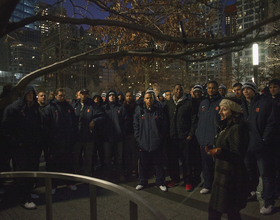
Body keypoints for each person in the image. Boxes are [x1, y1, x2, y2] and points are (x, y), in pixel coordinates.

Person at [206, 97, 249, 220]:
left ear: (233, 112)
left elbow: (237, 155)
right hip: (222, 178)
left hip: (230, 180)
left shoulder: (236, 129)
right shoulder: (227, 127)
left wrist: (220, 152)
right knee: (231, 212)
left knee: (216, 212)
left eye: (224, 110)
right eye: (220, 109)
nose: (220, 112)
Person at [1, 86, 42, 209]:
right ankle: (24, 198)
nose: (30, 95)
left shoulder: (33, 108)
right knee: (22, 173)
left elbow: (37, 126)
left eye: (32, 93)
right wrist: (16, 142)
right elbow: (6, 127)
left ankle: (28, 192)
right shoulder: (14, 108)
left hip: (32, 146)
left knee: (31, 171)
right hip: (20, 148)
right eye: (28, 93)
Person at [241, 81, 275, 215]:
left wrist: (265, 139)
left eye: (248, 89)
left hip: (261, 146)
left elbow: (271, 123)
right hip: (247, 145)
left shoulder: (264, 103)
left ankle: (269, 201)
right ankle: (251, 191)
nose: (246, 91)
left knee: (265, 174)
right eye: (244, 89)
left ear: (254, 90)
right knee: (249, 171)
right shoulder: (241, 105)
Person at [44, 88, 77, 194]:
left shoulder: (68, 107)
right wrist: (51, 139)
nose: (62, 97)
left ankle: (69, 183)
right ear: (55, 95)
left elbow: (74, 122)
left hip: (67, 141)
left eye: (63, 95)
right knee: (54, 164)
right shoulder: (50, 108)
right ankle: (53, 185)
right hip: (55, 141)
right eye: (60, 96)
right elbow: (46, 125)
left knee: (68, 163)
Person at [164, 84, 197, 191]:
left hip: (184, 137)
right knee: (172, 161)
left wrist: (190, 134)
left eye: (180, 89)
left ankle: (188, 181)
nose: (178, 91)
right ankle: (175, 179)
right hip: (172, 138)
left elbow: (193, 120)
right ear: (173, 91)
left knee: (186, 161)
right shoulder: (168, 104)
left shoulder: (188, 104)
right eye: (176, 89)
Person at [134, 90, 168, 191]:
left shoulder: (158, 110)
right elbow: (135, 125)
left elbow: (164, 125)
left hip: (156, 142)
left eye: (150, 98)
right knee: (143, 165)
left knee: (158, 165)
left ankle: (160, 182)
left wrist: (161, 137)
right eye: (147, 98)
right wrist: (138, 139)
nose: (149, 100)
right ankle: (142, 181)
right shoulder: (139, 110)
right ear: (144, 99)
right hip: (143, 142)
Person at [195, 80, 223, 194]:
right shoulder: (203, 102)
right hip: (203, 139)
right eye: (209, 88)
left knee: (218, 165)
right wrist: (198, 134)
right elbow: (199, 119)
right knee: (206, 164)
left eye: (213, 88)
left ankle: (218, 186)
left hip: (216, 140)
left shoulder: (221, 102)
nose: (211, 90)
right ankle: (207, 184)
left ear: (217, 89)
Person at [72, 88, 104, 176]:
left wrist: (94, 121)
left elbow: (101, 115)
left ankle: (87, 174)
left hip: (88, 136)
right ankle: (77, 173)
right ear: (79, 94)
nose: (83, 95)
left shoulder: (92, 105)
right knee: (76, 157)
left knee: (88, 158)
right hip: (77, 136)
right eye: (82, 94)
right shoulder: (75, 104)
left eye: (85, 94)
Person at [101, 90, 129, 182]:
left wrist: (123, 131)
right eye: (110, 96)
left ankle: (120, 174)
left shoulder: (121, 108)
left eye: (113, 95)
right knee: (107, 158)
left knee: (119, 158)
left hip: (119, 137)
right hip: (107, 137)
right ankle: (107, 174)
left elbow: (126, 120)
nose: (112, 97)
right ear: (108, 97)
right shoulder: (104, 108)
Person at [268, 79, 280, 196]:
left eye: (275, 87)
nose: (273, 89)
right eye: (271, 87)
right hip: (271, 135)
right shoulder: (268, 100)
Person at [123, 91, 138, 177]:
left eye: (130, 96)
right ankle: (127, 168)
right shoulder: (123, 106)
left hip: (133, 132)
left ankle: (134, 169)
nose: (129, 97)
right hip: (125, 132)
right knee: (126, 152)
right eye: (127, 96)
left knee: (134, 152)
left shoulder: (136, 107)